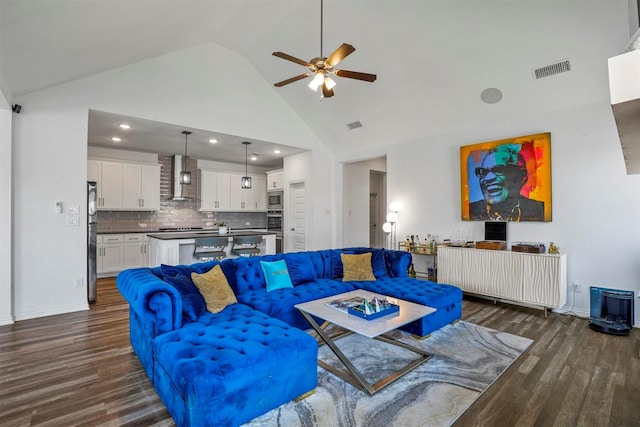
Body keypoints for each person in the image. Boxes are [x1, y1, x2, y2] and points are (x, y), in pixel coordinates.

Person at [468, 145, 544, 221]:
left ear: (522, 176)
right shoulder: (471, 211)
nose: (488, 178)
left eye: (499, 169)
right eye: (483, 172)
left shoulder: (540, 210)